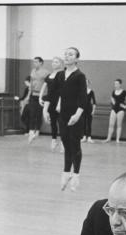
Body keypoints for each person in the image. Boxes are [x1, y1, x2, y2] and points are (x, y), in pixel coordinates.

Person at [43, 47, 87, 192]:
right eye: (66, 54)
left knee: (75, 146)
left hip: (76, 116)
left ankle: (76, 175)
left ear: (77, 58)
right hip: (63, 116)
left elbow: (83, 98)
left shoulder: (80, 76)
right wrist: (46, 109)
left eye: (71, 54)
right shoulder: (60, 75)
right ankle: (66, 172)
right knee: (66, 145)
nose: (67, 56)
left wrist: (77, 115)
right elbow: (52, 94)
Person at [39, 56, 64, 151]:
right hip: (50, 100)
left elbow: (62, 90)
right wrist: (40, 97)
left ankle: (63, 142)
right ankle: (54, 140)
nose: (54, 63)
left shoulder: (62, 74)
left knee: (61, 123)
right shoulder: (49, 75)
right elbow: (44, 86)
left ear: (61, 64)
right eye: (53, 62)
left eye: (57, 62)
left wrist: (59, 104)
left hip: (59, 100)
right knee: (52, 122)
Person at [28, 57, 49, 144]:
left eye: (36, 62)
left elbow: (48, 84)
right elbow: (31, 84)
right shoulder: (33, 71)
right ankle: (31, 131)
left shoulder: (46, 72)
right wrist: (28, 95)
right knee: (32, 112)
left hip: (42, 96)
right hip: (33, 94)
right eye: (34, 62)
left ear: (41, 63)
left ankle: (37, 131)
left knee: (39, 113)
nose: (35, 63)